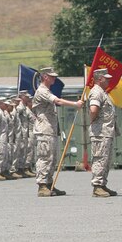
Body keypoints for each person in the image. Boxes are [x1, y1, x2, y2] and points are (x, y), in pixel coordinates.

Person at [33, 67, 83, 197]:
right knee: (44, 158)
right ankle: (42, 185)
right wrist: (75, 104)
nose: (55, 78)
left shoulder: (47, 90)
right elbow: (58, 101)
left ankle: (49, 184)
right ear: (44, 77)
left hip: (50, 130)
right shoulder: (42, 91)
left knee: (51, 158)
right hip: (44, 131)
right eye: (52, 76)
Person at [88, 69, 120, 197]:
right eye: (106, 78)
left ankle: (102, 184)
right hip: (100, 132)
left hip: (106, 132)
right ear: (99, 79)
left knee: (105, 160)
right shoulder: (96, 92)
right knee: (100, 158)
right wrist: (93, 121)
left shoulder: (103, 92)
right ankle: (97, 186)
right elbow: (93, 110)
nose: (109, 80)